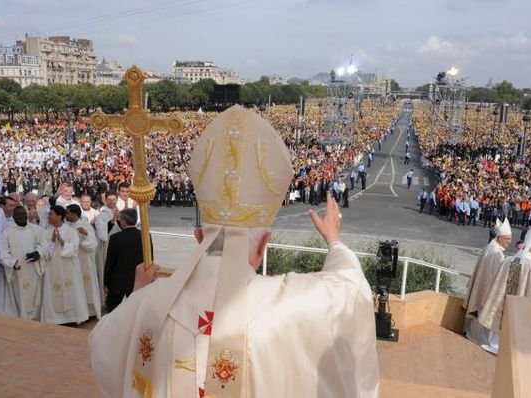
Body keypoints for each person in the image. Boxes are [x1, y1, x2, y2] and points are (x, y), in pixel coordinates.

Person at [89, 105, 379, 398]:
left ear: (199, 236)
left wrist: (138, 294)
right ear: (263, 245)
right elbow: (349, 291)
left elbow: (102, 342)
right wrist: (335, 242)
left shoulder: (148, 305)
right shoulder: (291, 306)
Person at [479, 228, 531, 354]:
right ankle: (507, 348)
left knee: (503, 315)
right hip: (519, 306)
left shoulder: (509, 260)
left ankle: (494, 344)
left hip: (503, 302)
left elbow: (496, 282)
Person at [463, 218, 512, 351]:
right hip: (486, 292)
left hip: (482, 289)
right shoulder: (495, 253)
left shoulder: (492, 248)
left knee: (478, 317)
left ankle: (474, 336)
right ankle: (477, 339)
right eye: (507, 238)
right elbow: (495, 275)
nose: (509, 241)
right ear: (500, 237)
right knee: (481, 316)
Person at [40, 205, 89, 325]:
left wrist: (62, 242)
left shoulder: (71, 232)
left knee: (71, 288)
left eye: (51, 214)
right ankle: (55, 318)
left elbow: (74, 250)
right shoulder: (46, 232)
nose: (49, 216)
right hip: (53, 268)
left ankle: (73, 317)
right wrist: (52, 241)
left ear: (59, 216)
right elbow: (43, 252)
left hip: (69, 267)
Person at [0, 206, 45, 320]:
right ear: (13, 217)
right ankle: (23, 317)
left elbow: (44, 245)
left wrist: (38, 253)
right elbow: (3, 253)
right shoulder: (7, 233)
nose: (21, 217)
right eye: (18, 215)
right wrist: (12, 263)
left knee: (35, 294)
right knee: (21, 295)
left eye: (23, 214)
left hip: (33, 268)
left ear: (27, 215)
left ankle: (36, 317)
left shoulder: (37, 230)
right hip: (18, 269)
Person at [103, 209, 147, 313]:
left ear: (123, 221)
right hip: (138, 279)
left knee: (113, 309)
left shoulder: (115, 238)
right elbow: (149, 258)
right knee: (136, 310)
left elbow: (110, 263)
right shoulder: (145, 236)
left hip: (117, 281)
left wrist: (106, 282)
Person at [66, 204, 102, 320]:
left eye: (68, 213)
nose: (66, 215)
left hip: (84, 261)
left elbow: (93, 243)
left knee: (87, 285)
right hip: (72, 262)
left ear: (74, 214)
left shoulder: (85, 225)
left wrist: (84, 237)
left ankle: (91, 311)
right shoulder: (67, 226)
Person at [95, 190, 121, 295]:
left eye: (114, 199)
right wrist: (113, 221)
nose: (112, 202)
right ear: (105, 200)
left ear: (117, 200)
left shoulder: (121, 213)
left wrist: (119, 219)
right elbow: (103, 236)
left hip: (120, 248)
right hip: (107, 249)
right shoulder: (101, 216)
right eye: (109, 200)